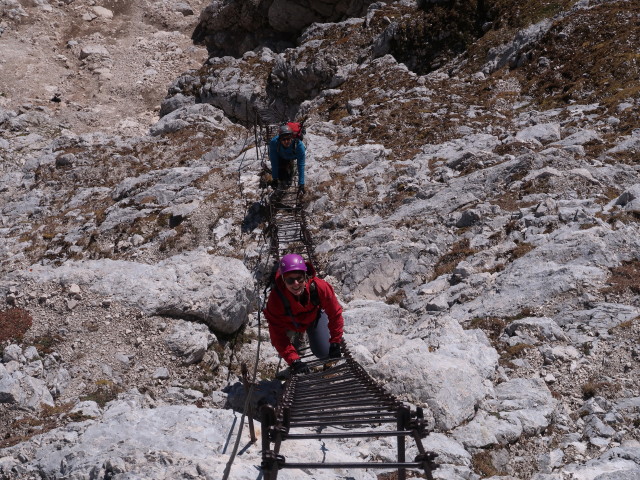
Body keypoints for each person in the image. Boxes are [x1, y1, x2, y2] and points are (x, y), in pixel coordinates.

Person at [263, 253, 344, 374]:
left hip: (313, 318)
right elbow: (277, 335)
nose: (296, 284)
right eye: (290, 280)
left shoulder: (319, 287)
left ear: (305, 276)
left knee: (324, 352)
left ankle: (303, 336)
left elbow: (335, 314)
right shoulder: (276, 300)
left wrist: (335, 341)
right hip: (289, 324)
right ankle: (298, 336)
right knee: (287, 352)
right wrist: (294, 360)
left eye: (299, 278)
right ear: (283, 280)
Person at [269, 124, 306, 195]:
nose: (286, 141)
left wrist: (301, 184)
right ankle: (287, 168)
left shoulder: (299, 146)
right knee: (282, 177)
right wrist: (275, 178)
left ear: (292, 138)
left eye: (288, 139)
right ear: (279, 140)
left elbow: (301, 165)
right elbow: (274, 162)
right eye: (283, 139)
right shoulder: (274, 143)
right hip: (281, 157)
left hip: (292, 156)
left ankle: (291, 167)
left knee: (288, 180)